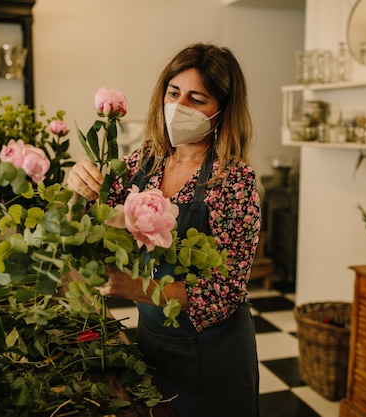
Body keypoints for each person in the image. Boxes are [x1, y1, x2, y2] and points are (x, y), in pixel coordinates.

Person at [66, 43, 261, 417]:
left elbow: (225, 291)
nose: (179, 106)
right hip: (154, 343)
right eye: (174, 93)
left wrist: (133, 288)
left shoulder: (234, 181)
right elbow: (91, 216)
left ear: (221, 111)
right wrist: (78, 184)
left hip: (214, 356)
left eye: (196, 98)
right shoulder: (144, 162)